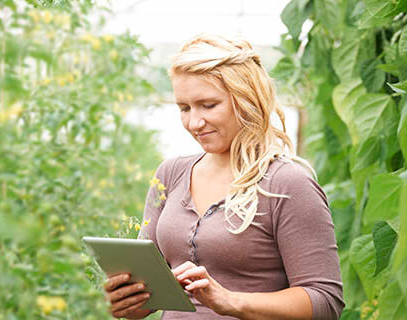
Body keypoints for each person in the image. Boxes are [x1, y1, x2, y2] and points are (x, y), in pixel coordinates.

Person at [103, 33, 344, 320]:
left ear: (245, 99)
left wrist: (231, 302)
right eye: (184, 108)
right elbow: (151, 292)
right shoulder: (170, 174)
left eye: (208, 105)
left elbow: (325, 302)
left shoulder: (287, 184)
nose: (194, 122)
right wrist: (127, 301)